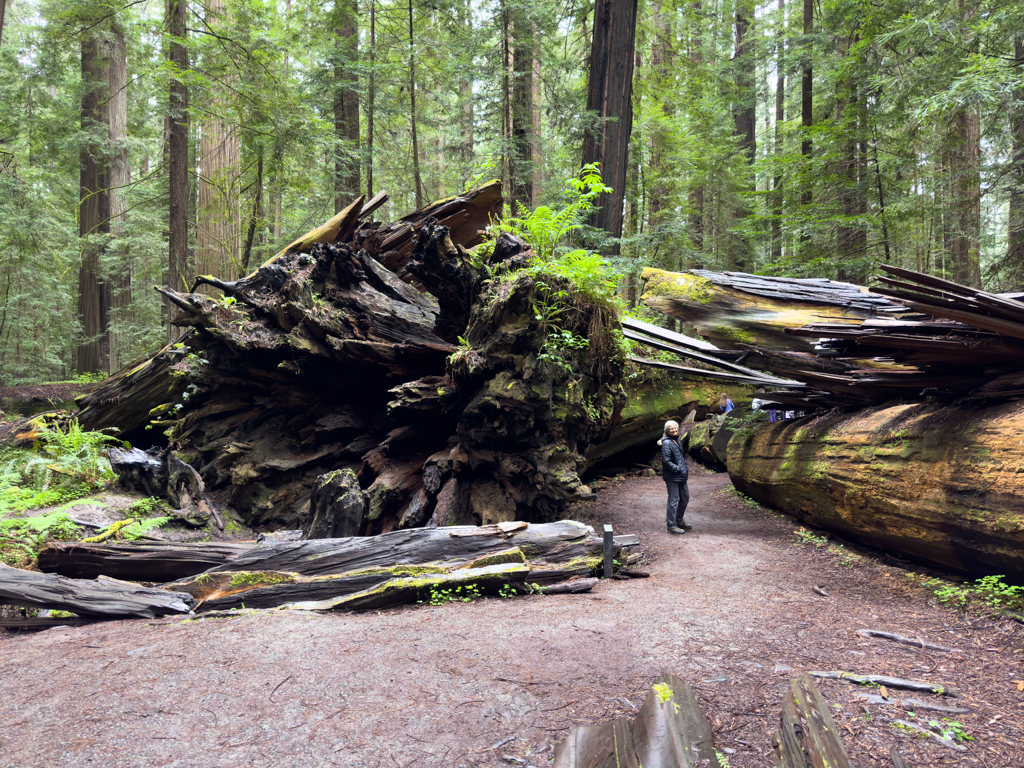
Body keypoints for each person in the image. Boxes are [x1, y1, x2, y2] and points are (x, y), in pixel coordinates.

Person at [660, 420, 691, 535]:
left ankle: (679, 521)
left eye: (675, 428)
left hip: (681, 476)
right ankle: (671, 525)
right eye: (671, 429)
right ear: (667, 431)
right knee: (673, 500)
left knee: (685, 498)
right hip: (673, 476)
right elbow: (666, 461)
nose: (674, 430)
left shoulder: (676, 439)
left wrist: (682, 470)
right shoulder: (667, 443)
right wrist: (678, 469)